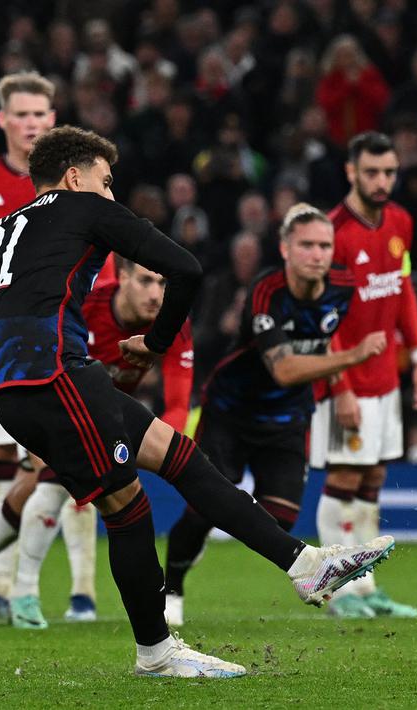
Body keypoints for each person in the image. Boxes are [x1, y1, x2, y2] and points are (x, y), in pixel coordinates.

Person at [0, 126, 395, 678]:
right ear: (74, 178)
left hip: (16, 387)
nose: (111, 196)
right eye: (105, 183)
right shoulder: (84, 209)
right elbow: (187, 269)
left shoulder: (1, 232)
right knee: (128, 509)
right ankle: (156, 650)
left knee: (179, 456)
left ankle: (307, 565)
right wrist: (154, 344)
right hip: (57, 377)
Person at [0, 257, 195, 628]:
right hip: (39, 390)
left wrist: (163, 454)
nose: (155, 294)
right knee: (53, 482)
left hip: (100, 416)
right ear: (123, 277)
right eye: (146, 281)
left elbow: (178, 404)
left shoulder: (171, 326)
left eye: (162, 284)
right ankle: (25, 592)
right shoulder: (84, 301)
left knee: (28, 491)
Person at [161, 203, 387, 627]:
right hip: (232, 411)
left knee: (279, 518)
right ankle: (171, 586)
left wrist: (341, 391)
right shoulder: (266, 292)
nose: (317, 254)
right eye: (306, 245)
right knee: (208, 506)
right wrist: (354, 360)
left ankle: (217, 534)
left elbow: (323, 341)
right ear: (285, 248)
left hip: (287, 418)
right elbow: (283, 369)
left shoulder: (343, 285)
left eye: (324, 245)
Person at [0, 72, 98, 622]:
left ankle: (83, 591)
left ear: (53, 119)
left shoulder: (77, 179)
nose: (32, 123)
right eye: (23, 114)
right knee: (3, 459)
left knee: (70, 457)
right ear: (3, 120)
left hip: (65, 339)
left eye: (41, 114)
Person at [308, 131, 417, 619]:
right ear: (351, 173)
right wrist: (338, 387)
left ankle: (366, 586)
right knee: (343, 477)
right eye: (373, 172)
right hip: (347, 378)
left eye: (390, 172)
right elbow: (324, 317)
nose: (382, 182)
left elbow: (402, 293)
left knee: (373, 478)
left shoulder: (401, 221)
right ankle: (336, 589)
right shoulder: (334, 232)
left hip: (386, 376)